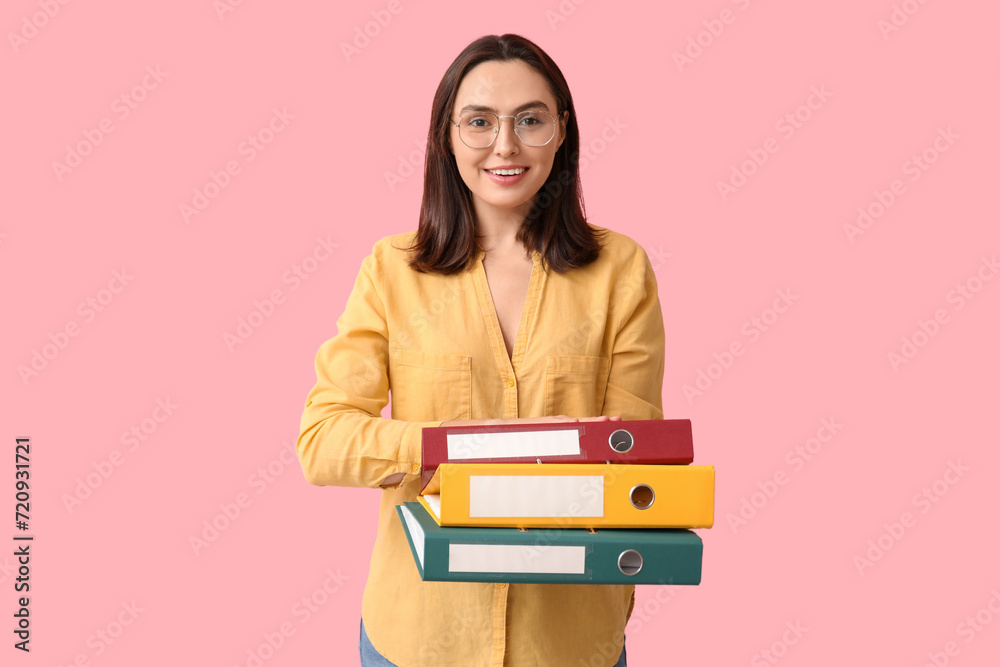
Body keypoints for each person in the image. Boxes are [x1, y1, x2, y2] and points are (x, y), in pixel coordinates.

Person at [296, 33, 665, 667]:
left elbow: (634, 457)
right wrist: (456, 448)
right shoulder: (391, 271)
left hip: (570, 642)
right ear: (447, 135)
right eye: (479, 122)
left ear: (562, 131)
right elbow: (324, 440)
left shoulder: (621, 270)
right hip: (416, 637)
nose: (505, 146)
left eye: (530, 120)